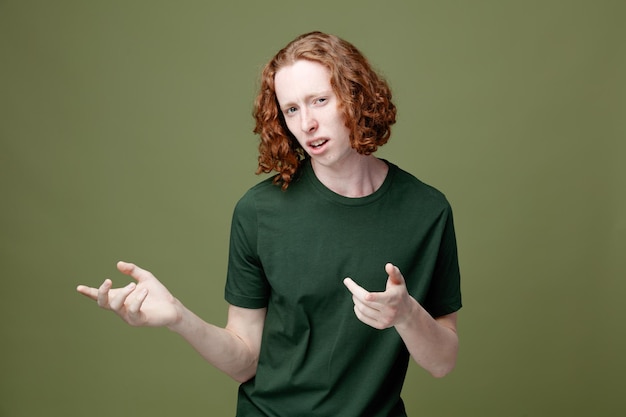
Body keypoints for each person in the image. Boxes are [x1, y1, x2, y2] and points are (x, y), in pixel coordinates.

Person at [76, 31, 462, 417]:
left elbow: (442, 362)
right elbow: (245, 360)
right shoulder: (259, 211)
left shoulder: (426, 210)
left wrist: (407, 314)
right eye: (291, 109)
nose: (306, 123)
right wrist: (179, 317)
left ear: (356, 97)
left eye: (320, 101)